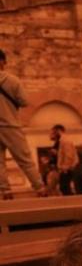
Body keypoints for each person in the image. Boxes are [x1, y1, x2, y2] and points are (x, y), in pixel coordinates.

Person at [0, 49, 45, 199]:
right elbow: (24, 102)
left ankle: (5, 192)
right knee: (25, 159)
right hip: (10, 125)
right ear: (3, 62)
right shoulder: (12, 80)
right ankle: (39, 188)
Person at [49, 124, 78, 196]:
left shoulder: (65, 141)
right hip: (64, 168)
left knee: (64, 187)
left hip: (67, 169)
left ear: (58, 131)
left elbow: (68, 155)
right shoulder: (61, 141)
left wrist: (65, 167)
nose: (52, 135)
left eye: (53, 132)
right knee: (63, 187)